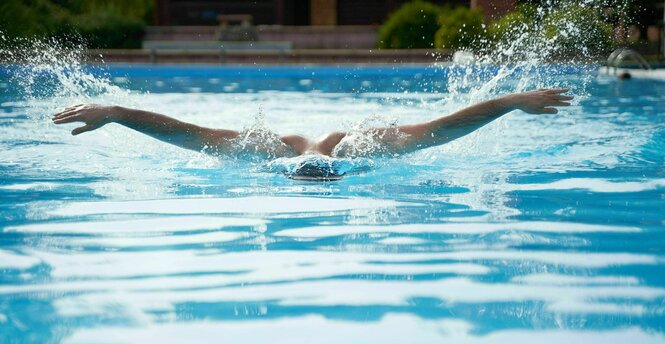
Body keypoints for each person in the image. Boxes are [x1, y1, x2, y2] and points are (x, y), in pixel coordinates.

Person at [52, 88, 573, 179]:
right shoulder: (269, 151)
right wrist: (116, 112)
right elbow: (189, 133)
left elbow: (444, 129)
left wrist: (509, 104)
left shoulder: (363, 144)